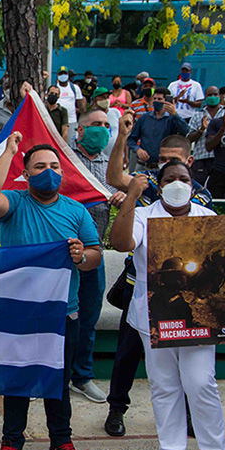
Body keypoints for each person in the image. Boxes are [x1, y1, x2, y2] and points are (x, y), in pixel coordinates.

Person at [0, 134, 101, 450]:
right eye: (40, 167)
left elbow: (94, 255)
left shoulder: (76, 211)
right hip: (18, 312)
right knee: (16, 380)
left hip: (63, 313)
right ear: (26, 174)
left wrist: (81, 256)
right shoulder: (15, 204)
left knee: (57, 381)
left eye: (55, 166)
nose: (50, 171)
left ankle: (61, 440)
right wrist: (9, 152)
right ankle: (11, 442)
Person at [109, 161, 225, 450]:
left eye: (184, 179)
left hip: (196, 323)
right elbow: (121, 244)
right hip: (154, 320)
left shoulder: (208, 220)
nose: (178, 183)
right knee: (164, 387)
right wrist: (132, 196)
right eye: (170, 179)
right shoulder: (145, 217)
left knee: (201, 384)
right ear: (159, 186)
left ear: (193, 184)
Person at [104, 114, 212, 437]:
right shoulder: (149, 187)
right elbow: (114, 177)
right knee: (127, 354)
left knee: (187, 364)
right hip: (140, 290)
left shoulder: (200, 199)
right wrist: (122, 139)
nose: (167, 171)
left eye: (174, 163)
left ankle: (190, 417)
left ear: (189, 163)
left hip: (180, 294)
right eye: (162, 162)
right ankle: (116, 409)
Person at [69, 109, 126, 404]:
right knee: (57, 318)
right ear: (80, 129)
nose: (101, 130)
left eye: (106, 125)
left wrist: (124, 197)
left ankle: (82, 376)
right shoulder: (66, 160)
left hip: (96, 252)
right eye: (96, 125)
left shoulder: (112, 165)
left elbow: (131, 190)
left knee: (88, 317)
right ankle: (51, 376)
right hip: (64, 254)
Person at [127, 88, 189, 169]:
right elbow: (131, 139)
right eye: (154, 99)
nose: (156, 101)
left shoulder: (171, 119)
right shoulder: (144, 117)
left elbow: (186, 131)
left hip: (161, 166)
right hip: (142, 164)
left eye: (159, 99)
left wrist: (175, 115)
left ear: (166, 101)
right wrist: (138, 150)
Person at [188, 86, 225, 186]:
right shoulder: (197, 115)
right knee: (198, 187)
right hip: (201, 158)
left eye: (215, 95)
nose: (213, 97)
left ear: (220, 97)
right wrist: (201, 130)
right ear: (205, 98)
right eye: (209, 95)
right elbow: (189, 138)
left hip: (221, 161)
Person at [205, 108, 225, 198]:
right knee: (216, 204)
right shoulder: (216, 122)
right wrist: (222, 129)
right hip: (220, 171)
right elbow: (208, 147)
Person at [55, 66, 85, 142]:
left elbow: (80, 105)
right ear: (58, 75)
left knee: (70, 143)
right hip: (57, 121)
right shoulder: (54, 88)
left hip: (71, 121)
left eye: (64, 73)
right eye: (61, 74)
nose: (63, 76)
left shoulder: (75, 88)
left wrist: (82, 120)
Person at [91, 87, 122, 158]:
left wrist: (125, 155)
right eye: (103, 97)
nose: (106, 100)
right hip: (98, 156)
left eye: (107, 97)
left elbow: (122, 132)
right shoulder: (91, 115)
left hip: (115, 154)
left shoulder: (115, 112)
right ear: (95, 100)